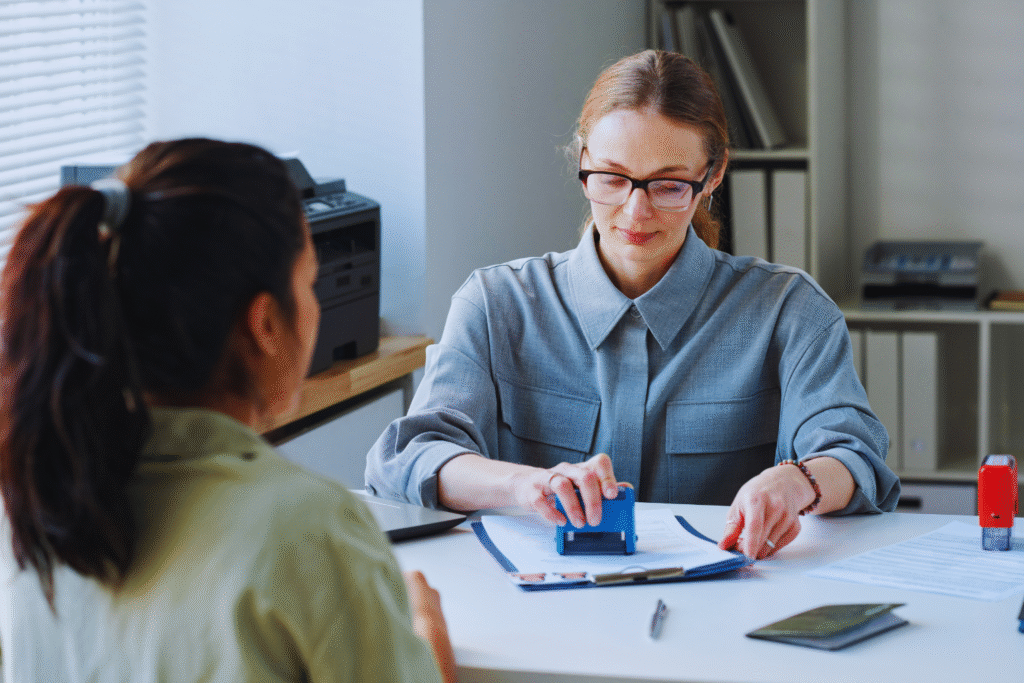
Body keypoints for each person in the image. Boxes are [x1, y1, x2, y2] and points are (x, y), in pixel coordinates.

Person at [366, 49, 900, 560]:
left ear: (712, 176)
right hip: (542, 614)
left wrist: (797, 482)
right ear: (583, 162)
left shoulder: (790, 310)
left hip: (722, 616)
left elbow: (855, 457)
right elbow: (405, 460)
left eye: (668, 185)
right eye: (612, 178)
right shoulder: (495, 304)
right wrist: (528, 485)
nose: (635, 211)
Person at [0, 139, 455, 683]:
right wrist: (425, 632)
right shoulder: (307, 528)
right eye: (308, 283)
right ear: (263, 324)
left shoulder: (33, 511)